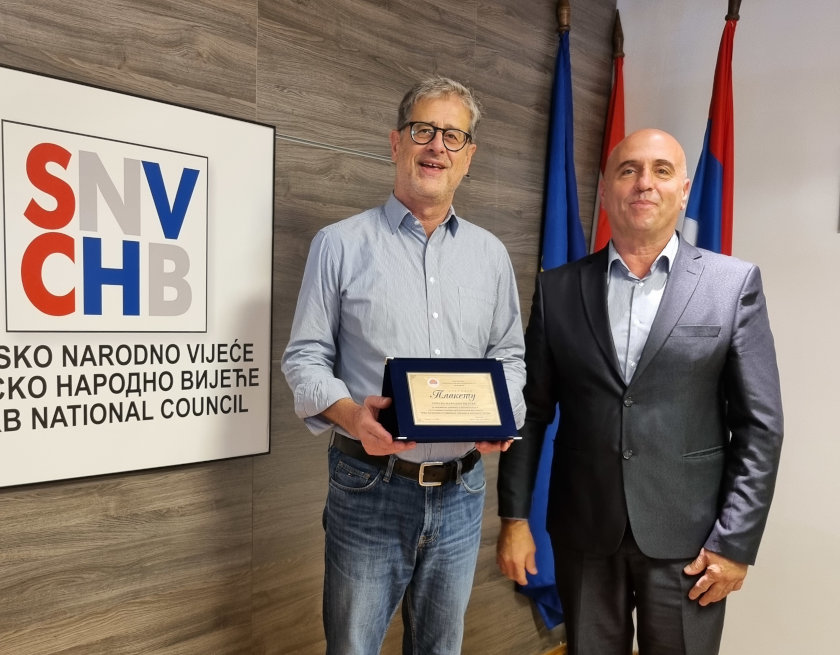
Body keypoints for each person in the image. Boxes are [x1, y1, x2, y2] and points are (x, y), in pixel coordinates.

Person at [496, 128, 784, 654]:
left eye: (661, 170)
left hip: (691, 542)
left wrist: (735, 542)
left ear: (684, 190)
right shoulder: (558, 288)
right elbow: (530, 413)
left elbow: (759, 427)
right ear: (607, 188)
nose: (644, 183)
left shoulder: (732, 284)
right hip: (584, 531)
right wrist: (513, 517)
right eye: (628, 170)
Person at [281, 77, 526, 655]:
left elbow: (509, 356)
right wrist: (350, 414)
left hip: (463, 489)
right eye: (423, 130)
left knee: (440, 648)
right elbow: (304, 356)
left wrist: (502, 414)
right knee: (353, 647)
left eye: (453, 136)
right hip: (369, 485)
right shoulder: (339, 244)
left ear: (469, 156)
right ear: (396, 143)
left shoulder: (491, 256)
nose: (437, 145)